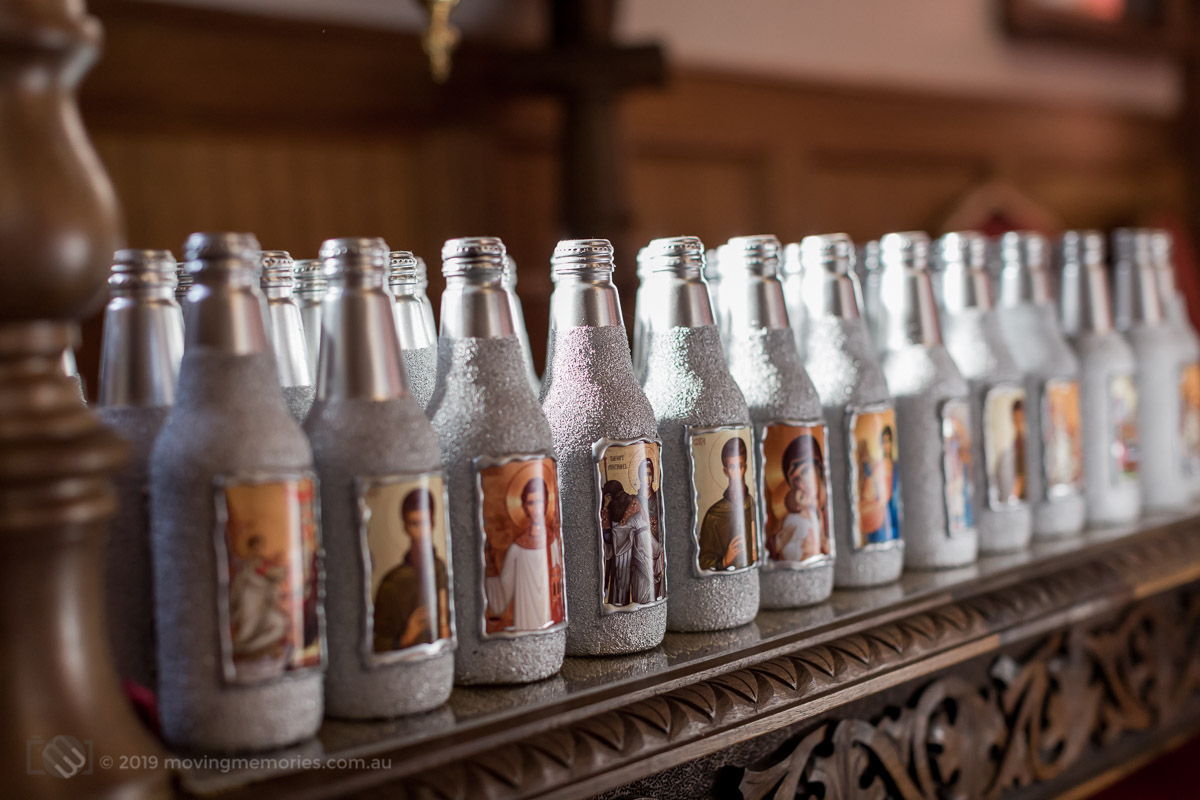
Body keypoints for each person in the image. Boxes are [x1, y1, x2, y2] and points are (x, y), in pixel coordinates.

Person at [372, 487, 450, 652]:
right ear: (405, 527)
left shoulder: (443, 571)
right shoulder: (392, 584)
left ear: (433, 524)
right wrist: (407, 636)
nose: (421, 532)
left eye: (425, 523)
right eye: (414, 524)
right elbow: (378, 643)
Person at [487, 477, 555, 631]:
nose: (536, 508)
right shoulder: (517, 548)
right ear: (524, 506)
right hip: (525, 621)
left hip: (550, 621)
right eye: (531, 503)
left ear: (546, 503)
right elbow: (503, 595)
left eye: (540, 501)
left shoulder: (554, 543)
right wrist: (490, 567)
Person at [229, 531, 291, 665]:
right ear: (251, 548)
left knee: (280, 624)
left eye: (261, 546)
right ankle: (243, 649)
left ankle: (253, 649)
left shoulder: (262, 564)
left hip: (264, 605)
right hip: (250, 604)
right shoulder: (247, 566)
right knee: (247, 631)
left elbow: (274, 576)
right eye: (256, 547)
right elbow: (244, 583)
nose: (259, 550)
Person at [698, 436, 755, 570]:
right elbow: (703, 560)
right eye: (732, 467)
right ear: (725, 471)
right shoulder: (714, 515)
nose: (736, 472)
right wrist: (725, 560)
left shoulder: (753, 505)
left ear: (745, 468)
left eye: (740, 466)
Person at [768, 433, 827, 563]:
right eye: (795, 480)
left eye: (804, 472)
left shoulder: (826, 511)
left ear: (818, 470)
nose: (800, 485)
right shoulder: (791, 518)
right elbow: (777, 546)